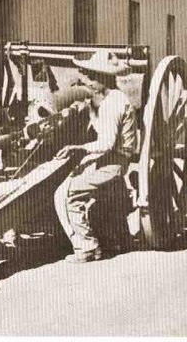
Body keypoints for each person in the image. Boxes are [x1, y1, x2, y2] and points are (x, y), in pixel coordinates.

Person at [53, 50, 138, 263]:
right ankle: (118, 238)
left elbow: (106, 143)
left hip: (113, 162)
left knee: (66, 193)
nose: (88, 81)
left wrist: (79, 148)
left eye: (92, 77)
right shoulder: (111, 98)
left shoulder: (113, 103)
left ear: (104, 78)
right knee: (78, 178)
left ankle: (87, 248)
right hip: (111, 159)